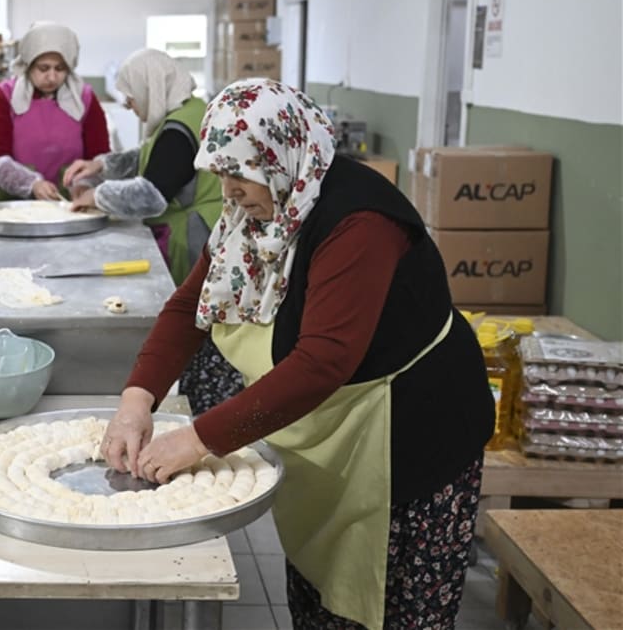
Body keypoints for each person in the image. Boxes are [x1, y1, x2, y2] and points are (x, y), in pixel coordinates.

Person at [101, 79, 494, 630]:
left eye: (240, 173)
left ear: (280, 154)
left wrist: (198, 439)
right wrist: (136, 400)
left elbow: (322, 362)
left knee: (395, 608)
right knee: (320, 597)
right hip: (333, 427)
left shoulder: (359, 223)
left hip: (409, 434)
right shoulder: (259, 210)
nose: (229, 190)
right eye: (220, 172)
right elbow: (190, 305)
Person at [62, 48, 241, 415]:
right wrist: (101, 165)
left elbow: (151, 194)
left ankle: (205, 414)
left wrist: (98, 195)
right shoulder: (186, 112)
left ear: (150, 87)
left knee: (199, 332)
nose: (129, 105)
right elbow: (147, 158)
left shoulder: (179, 127)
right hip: (199, 230)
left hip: (196, 236)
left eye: (131, 95)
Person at [0, 22, 110, 202]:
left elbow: (99, 157)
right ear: (28, 64)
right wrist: (31, 184)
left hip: (70, 203)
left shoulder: (84, 98)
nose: (52, 77)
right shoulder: (4, 96)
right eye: (43, 68)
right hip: (10, 203)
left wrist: (84, 184)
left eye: (60, 68)